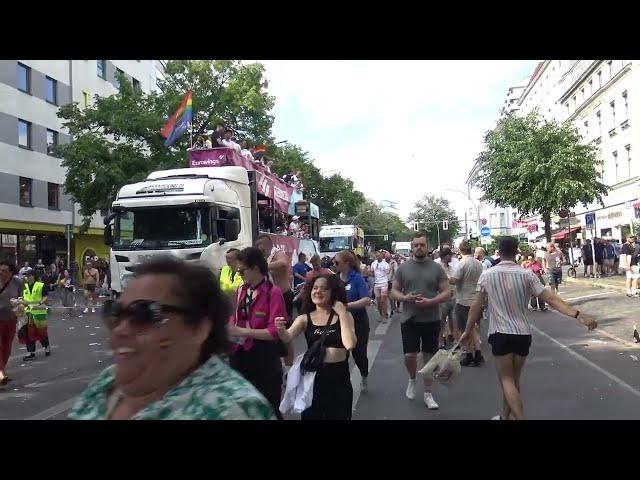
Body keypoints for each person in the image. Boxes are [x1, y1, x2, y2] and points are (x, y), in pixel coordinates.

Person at [69, 257, 274, 420]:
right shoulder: (106, 381)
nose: (120, 330)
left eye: (144, 314)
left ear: (198, 328)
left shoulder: (231, 410)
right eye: (115, 313)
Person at [460, 236, 597, 420]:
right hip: (522, 333)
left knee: (506, 380)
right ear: (517, 253)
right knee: (514, 380)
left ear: (498, 253)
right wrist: (579, 315)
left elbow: (476, 306)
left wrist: (468, 331)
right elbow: (551, 299)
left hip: (500, 333)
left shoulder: (487, 275)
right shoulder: (527, 275)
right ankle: (503, 416)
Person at [275, 274, 356, 419]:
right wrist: (280, 329)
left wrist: (342, 313)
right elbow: (287, 337)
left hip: (339, 376)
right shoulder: (304, 318)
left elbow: (349, 344)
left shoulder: (345, 316)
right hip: (313, 378)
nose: (318, 291)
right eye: (315, 288)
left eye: (324, 289)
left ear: (334, 293)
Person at [391, 234, 451, 410]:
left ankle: (428, 393)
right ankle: (411, 378)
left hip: (431, 318)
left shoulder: (436, 268)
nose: (419, 248)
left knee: (429, 357)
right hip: (409, 318)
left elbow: (447, 292)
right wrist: (404, 297)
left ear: (427, 247)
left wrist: (431, 302)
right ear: (412, 247)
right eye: (416, 245)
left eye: (422, 245)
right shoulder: (403, 268)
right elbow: (394, 291)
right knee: (409, 355)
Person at [228, 247, 287, 419]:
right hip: (240, 356)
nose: (239, 274)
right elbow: (236, 317)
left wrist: (242, 331)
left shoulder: (272, 293)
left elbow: (274, 331)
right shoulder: (241, 290)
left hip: (265, 358)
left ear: (254, 268)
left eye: (242, 270)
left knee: (269, 407)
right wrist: (230, 329)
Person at [255, 234, 294, 365]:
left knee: (285, 333)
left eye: (261, 247)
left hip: (283, 296)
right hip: (269, 298)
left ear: (266, 245)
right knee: (271, 331)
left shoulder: (277, 253)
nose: (259, 250)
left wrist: (263, 266)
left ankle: (289, 368)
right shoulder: (263, 258)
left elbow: (283, 263)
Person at [335, 250, 371, 392]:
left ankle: (364, 374)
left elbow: (366, 299)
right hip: (340, 321)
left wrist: (347, 306)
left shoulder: (357, 279)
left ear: (347, 263)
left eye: (337, 262)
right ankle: (343, 381)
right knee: (340, 352)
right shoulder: (335, 279)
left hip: (358, 321)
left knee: (359, 353)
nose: (334, 264)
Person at [449, 241, 484, 366]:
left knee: (464, 329)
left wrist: (446, 276)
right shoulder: (479, 264)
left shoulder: (462, 263)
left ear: (460, 250)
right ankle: (478, 353)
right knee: (473, 327)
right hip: (477, 299)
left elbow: (455, 281)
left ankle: (469, 355)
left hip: (464, 300)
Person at [0, 261, 23, 385]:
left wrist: (19, 305)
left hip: (10, 318)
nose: (1, 273)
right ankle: (1, 372)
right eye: (0, 270)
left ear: (11, 272)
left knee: (6, 346)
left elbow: (21, 298)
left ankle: (2, 369)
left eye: (4, 271)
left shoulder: (17, 282)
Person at [21, 270, 51, 361]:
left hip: (39, 312)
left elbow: (45, 297)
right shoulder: (24, 286)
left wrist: (40, 303)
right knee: (28, 333)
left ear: (34, 276)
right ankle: (31, 352)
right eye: (27, 276)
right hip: (28, 312)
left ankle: (46, 346)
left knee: (41, 332)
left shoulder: (40, 285)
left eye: (30, 276)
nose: (28, 277)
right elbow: (22, 297)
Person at [435, 247, 457, 349]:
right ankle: (440, 341)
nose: (451, 257)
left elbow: (453, 281)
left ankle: (454, 340)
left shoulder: (451, 267)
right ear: (446, 256)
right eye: (450, 255)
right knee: (442, 321)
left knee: (453, 320)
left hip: (453, 297)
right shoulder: (438, 267)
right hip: (442, 298)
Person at [371, 251, 391, 322]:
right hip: (376, 283)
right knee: (378, 302)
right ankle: (381, 315)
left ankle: (385, 316)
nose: (378, 257)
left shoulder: (385, 264)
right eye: (376, 256)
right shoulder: (373, 264)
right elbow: (372, 273)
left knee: (383, 300)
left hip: (384, 283)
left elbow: (388, 272)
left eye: (379, 255)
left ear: (381, 256)